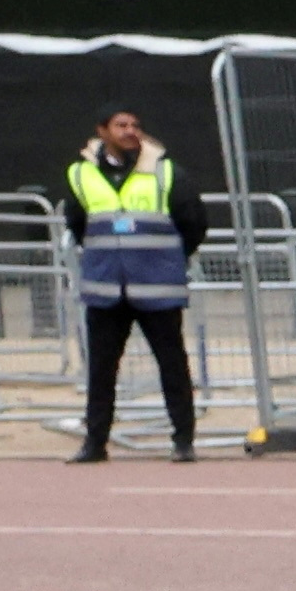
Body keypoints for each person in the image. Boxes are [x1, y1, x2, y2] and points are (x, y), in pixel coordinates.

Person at [61, 106, 195, 462]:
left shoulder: (166, 172)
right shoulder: (80, 174)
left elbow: (193, 222)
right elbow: (77, 224)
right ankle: (95, 443)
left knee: (173, 366)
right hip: (107, 289)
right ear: (102, 130)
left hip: (157, 287)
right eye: (121, 125)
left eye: (136, 124)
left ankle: (183, 441)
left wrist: (167, 260)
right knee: (101, 371)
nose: (130, 131)